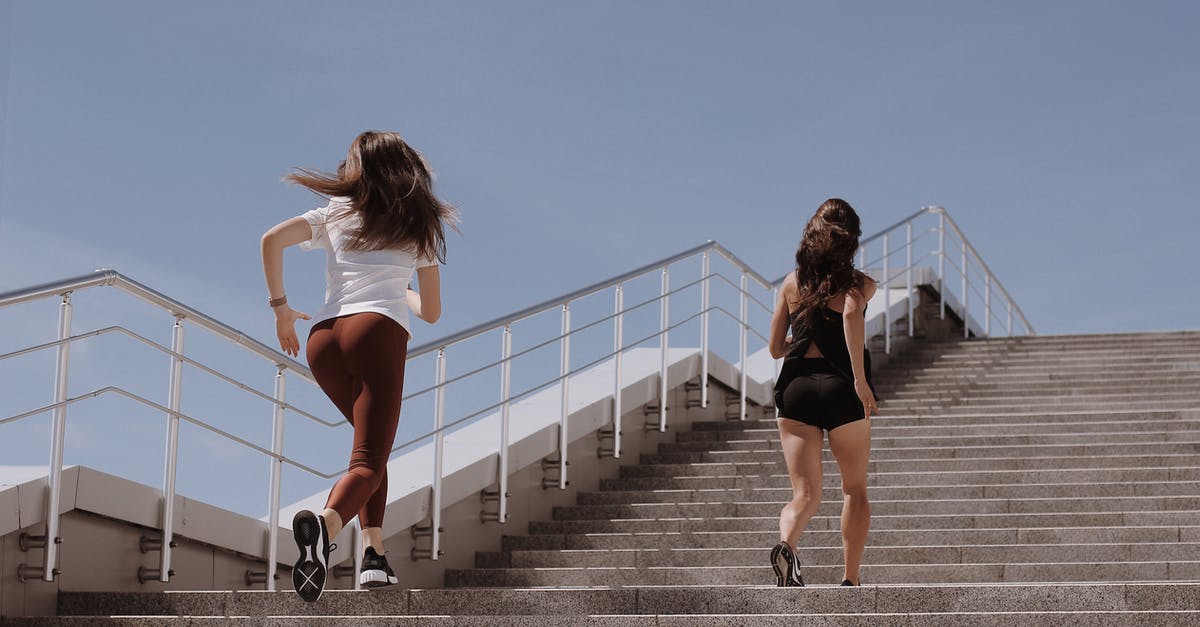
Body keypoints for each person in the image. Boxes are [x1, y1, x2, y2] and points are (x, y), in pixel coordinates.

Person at [260, 130, 458, 602]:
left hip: (324, 339)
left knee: (369, 451)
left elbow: (270, 241)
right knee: (369, 460)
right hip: (377, 333)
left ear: (359, 169)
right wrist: (402, 289)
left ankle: (374, 556)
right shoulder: (420, 224)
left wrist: (281, 309)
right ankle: (325, 530)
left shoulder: (335, 212)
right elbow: (430, 312)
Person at [767, 198, 878, 587]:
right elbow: (849, 313)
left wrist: (802, 334)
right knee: (855, 489)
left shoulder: (791, 282)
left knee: (805, 494)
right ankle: (850, 578)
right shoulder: (861, 284)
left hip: (796, 390)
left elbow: (775, 348)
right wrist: (860, 381)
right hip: (841, 390)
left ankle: (787, 544)